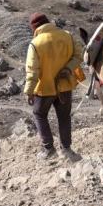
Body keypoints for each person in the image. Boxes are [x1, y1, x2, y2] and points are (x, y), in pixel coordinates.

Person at [23, 12, 85, 160]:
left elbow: (33, 71)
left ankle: (48, 149)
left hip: (45, 88)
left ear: (35, 28)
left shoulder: (36, 43)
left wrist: (29, 91)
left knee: (39, 114)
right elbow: (79, 56)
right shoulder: (67, 35)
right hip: (65, 86)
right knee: (64, 117)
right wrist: (68, 68)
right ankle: (67, 149)